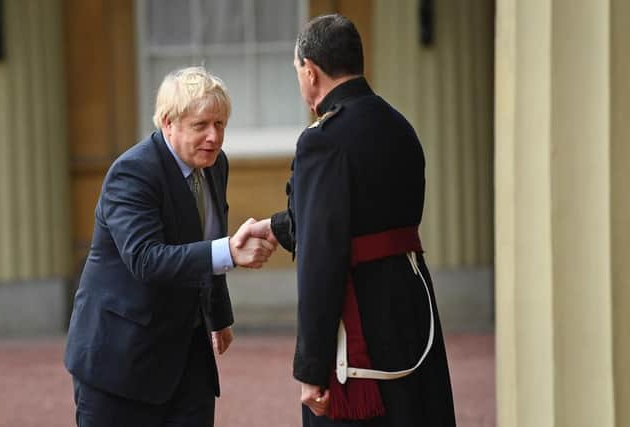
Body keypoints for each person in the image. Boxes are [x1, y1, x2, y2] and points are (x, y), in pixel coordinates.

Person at [249, 14, 456, 426]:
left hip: (359, 323)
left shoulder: (322, 140)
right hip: (411, 307)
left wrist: (310, 370)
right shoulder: (400, 127)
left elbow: (321, 260)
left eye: (297, 72)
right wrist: (273, 227)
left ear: (310, 71)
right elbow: (364, 216)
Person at [64, 66, 276, 427]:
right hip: (119, 359)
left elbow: (204, 236)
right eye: (201, 125)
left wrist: (218, 316)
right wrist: (230, 252)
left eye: (221, 124)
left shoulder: (214, 164)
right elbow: (146, 259)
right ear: (168, 123)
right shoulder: (131, 173)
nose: (214, 137)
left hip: (186, 352)